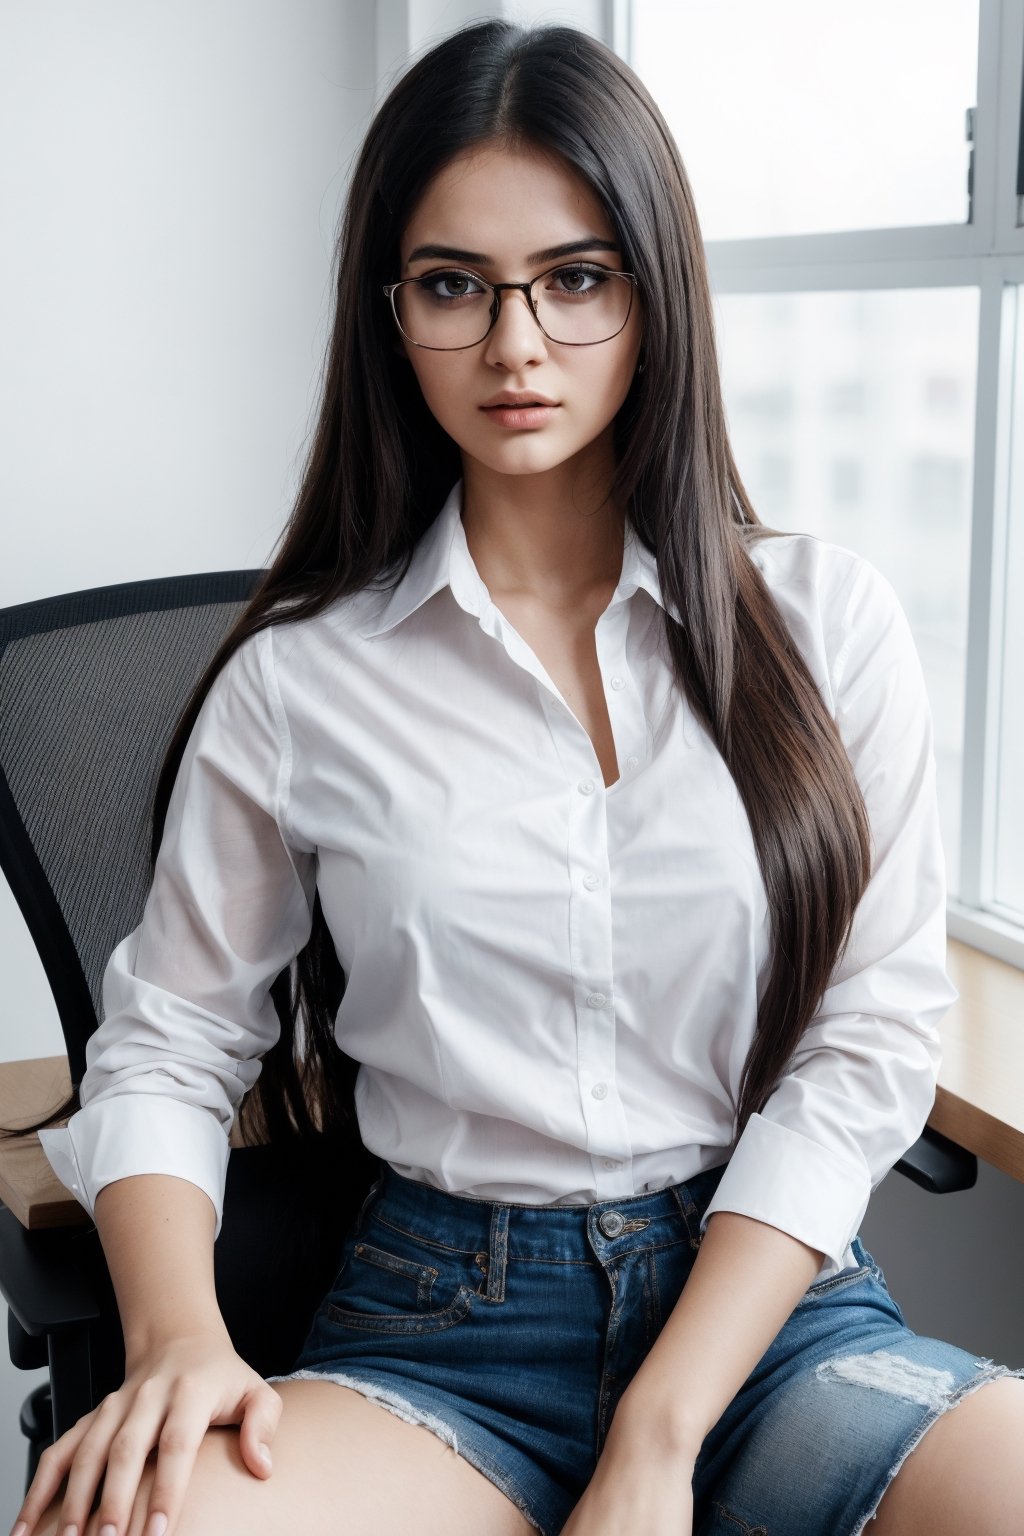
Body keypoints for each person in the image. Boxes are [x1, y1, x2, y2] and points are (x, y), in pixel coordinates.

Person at [11, 18, 1024, 1536]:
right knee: (124, 1518)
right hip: (443, 1336)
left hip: (763, 1330)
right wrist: (178, 1342)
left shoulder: (825, 624)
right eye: (451, 286)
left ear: (653, 291)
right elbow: (166, 1047)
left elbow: (864, 1042)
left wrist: (657, 1442)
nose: (515, 345)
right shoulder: (303, 680)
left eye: (576, 277)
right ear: (388, 310)